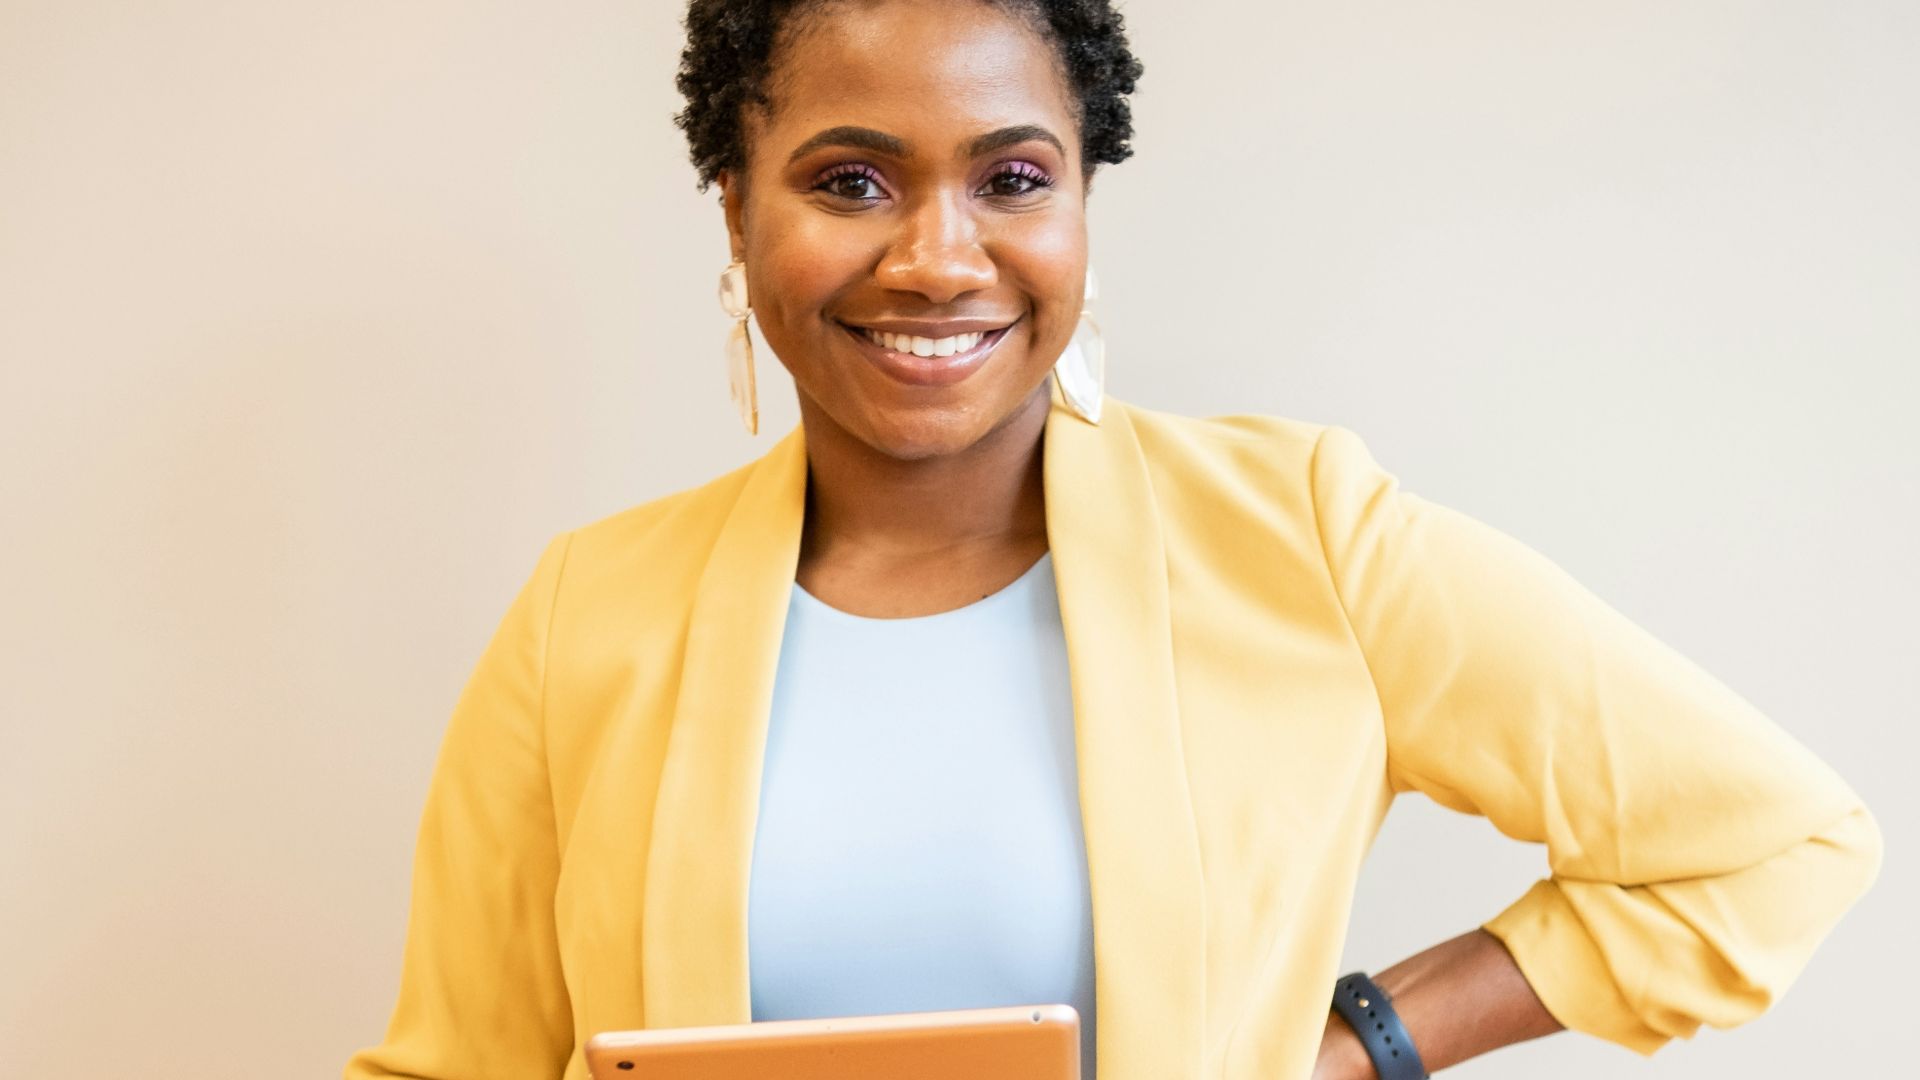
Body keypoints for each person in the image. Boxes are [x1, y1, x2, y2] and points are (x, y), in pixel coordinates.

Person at [344, 2, 1881, 1078]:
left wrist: (1367, 1043)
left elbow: (1769, 843)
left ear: (1083, 205)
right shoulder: (589, 613)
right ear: (736, 205)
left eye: (1013, 179)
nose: (938, 258)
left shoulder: (1302, 537)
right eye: (851, 181)